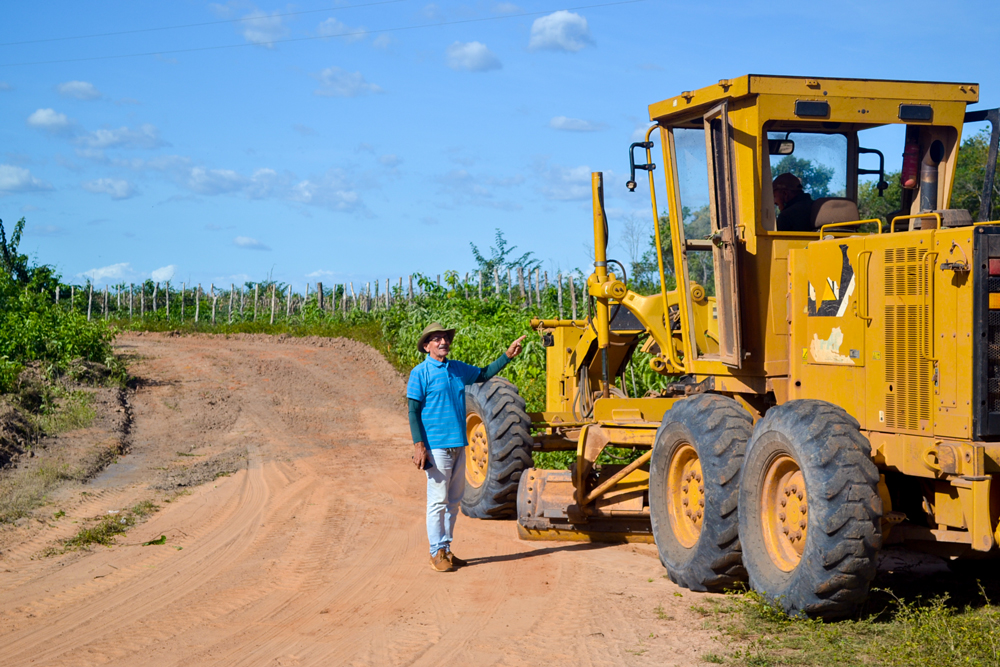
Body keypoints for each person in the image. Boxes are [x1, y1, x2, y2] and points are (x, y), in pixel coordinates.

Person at [407, 322, 526, 572]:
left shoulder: (457, 369)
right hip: (437, 446)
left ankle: (447, 550)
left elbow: (483, 374)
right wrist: (420, 445)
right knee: (438, 501)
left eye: (445, 338)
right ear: (427, 346)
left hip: (459, 444)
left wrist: (507, 355)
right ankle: (435, 552)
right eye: (437, 339)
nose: (443, 342)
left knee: (453, 501)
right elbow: (413, 410)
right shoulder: (420, 373)